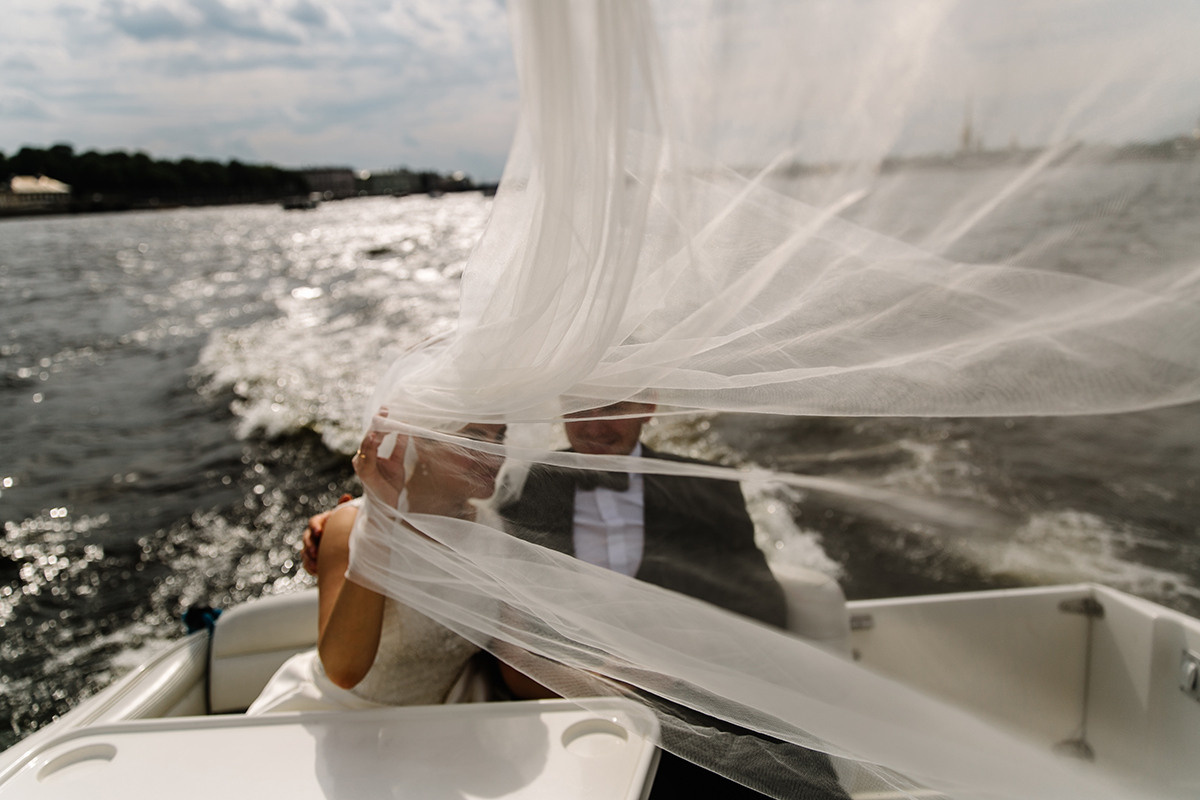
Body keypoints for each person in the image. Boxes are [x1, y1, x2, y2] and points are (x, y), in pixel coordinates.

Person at [249, 419, 507, 714]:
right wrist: (380, 524)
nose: (495, 454)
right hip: (343, 716)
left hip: (449, 717)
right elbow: (343, 671)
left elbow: (517, 658)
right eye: (473, 437)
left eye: (501, 436)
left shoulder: (496, 529)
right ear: (420, 441)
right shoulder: (349, 525)